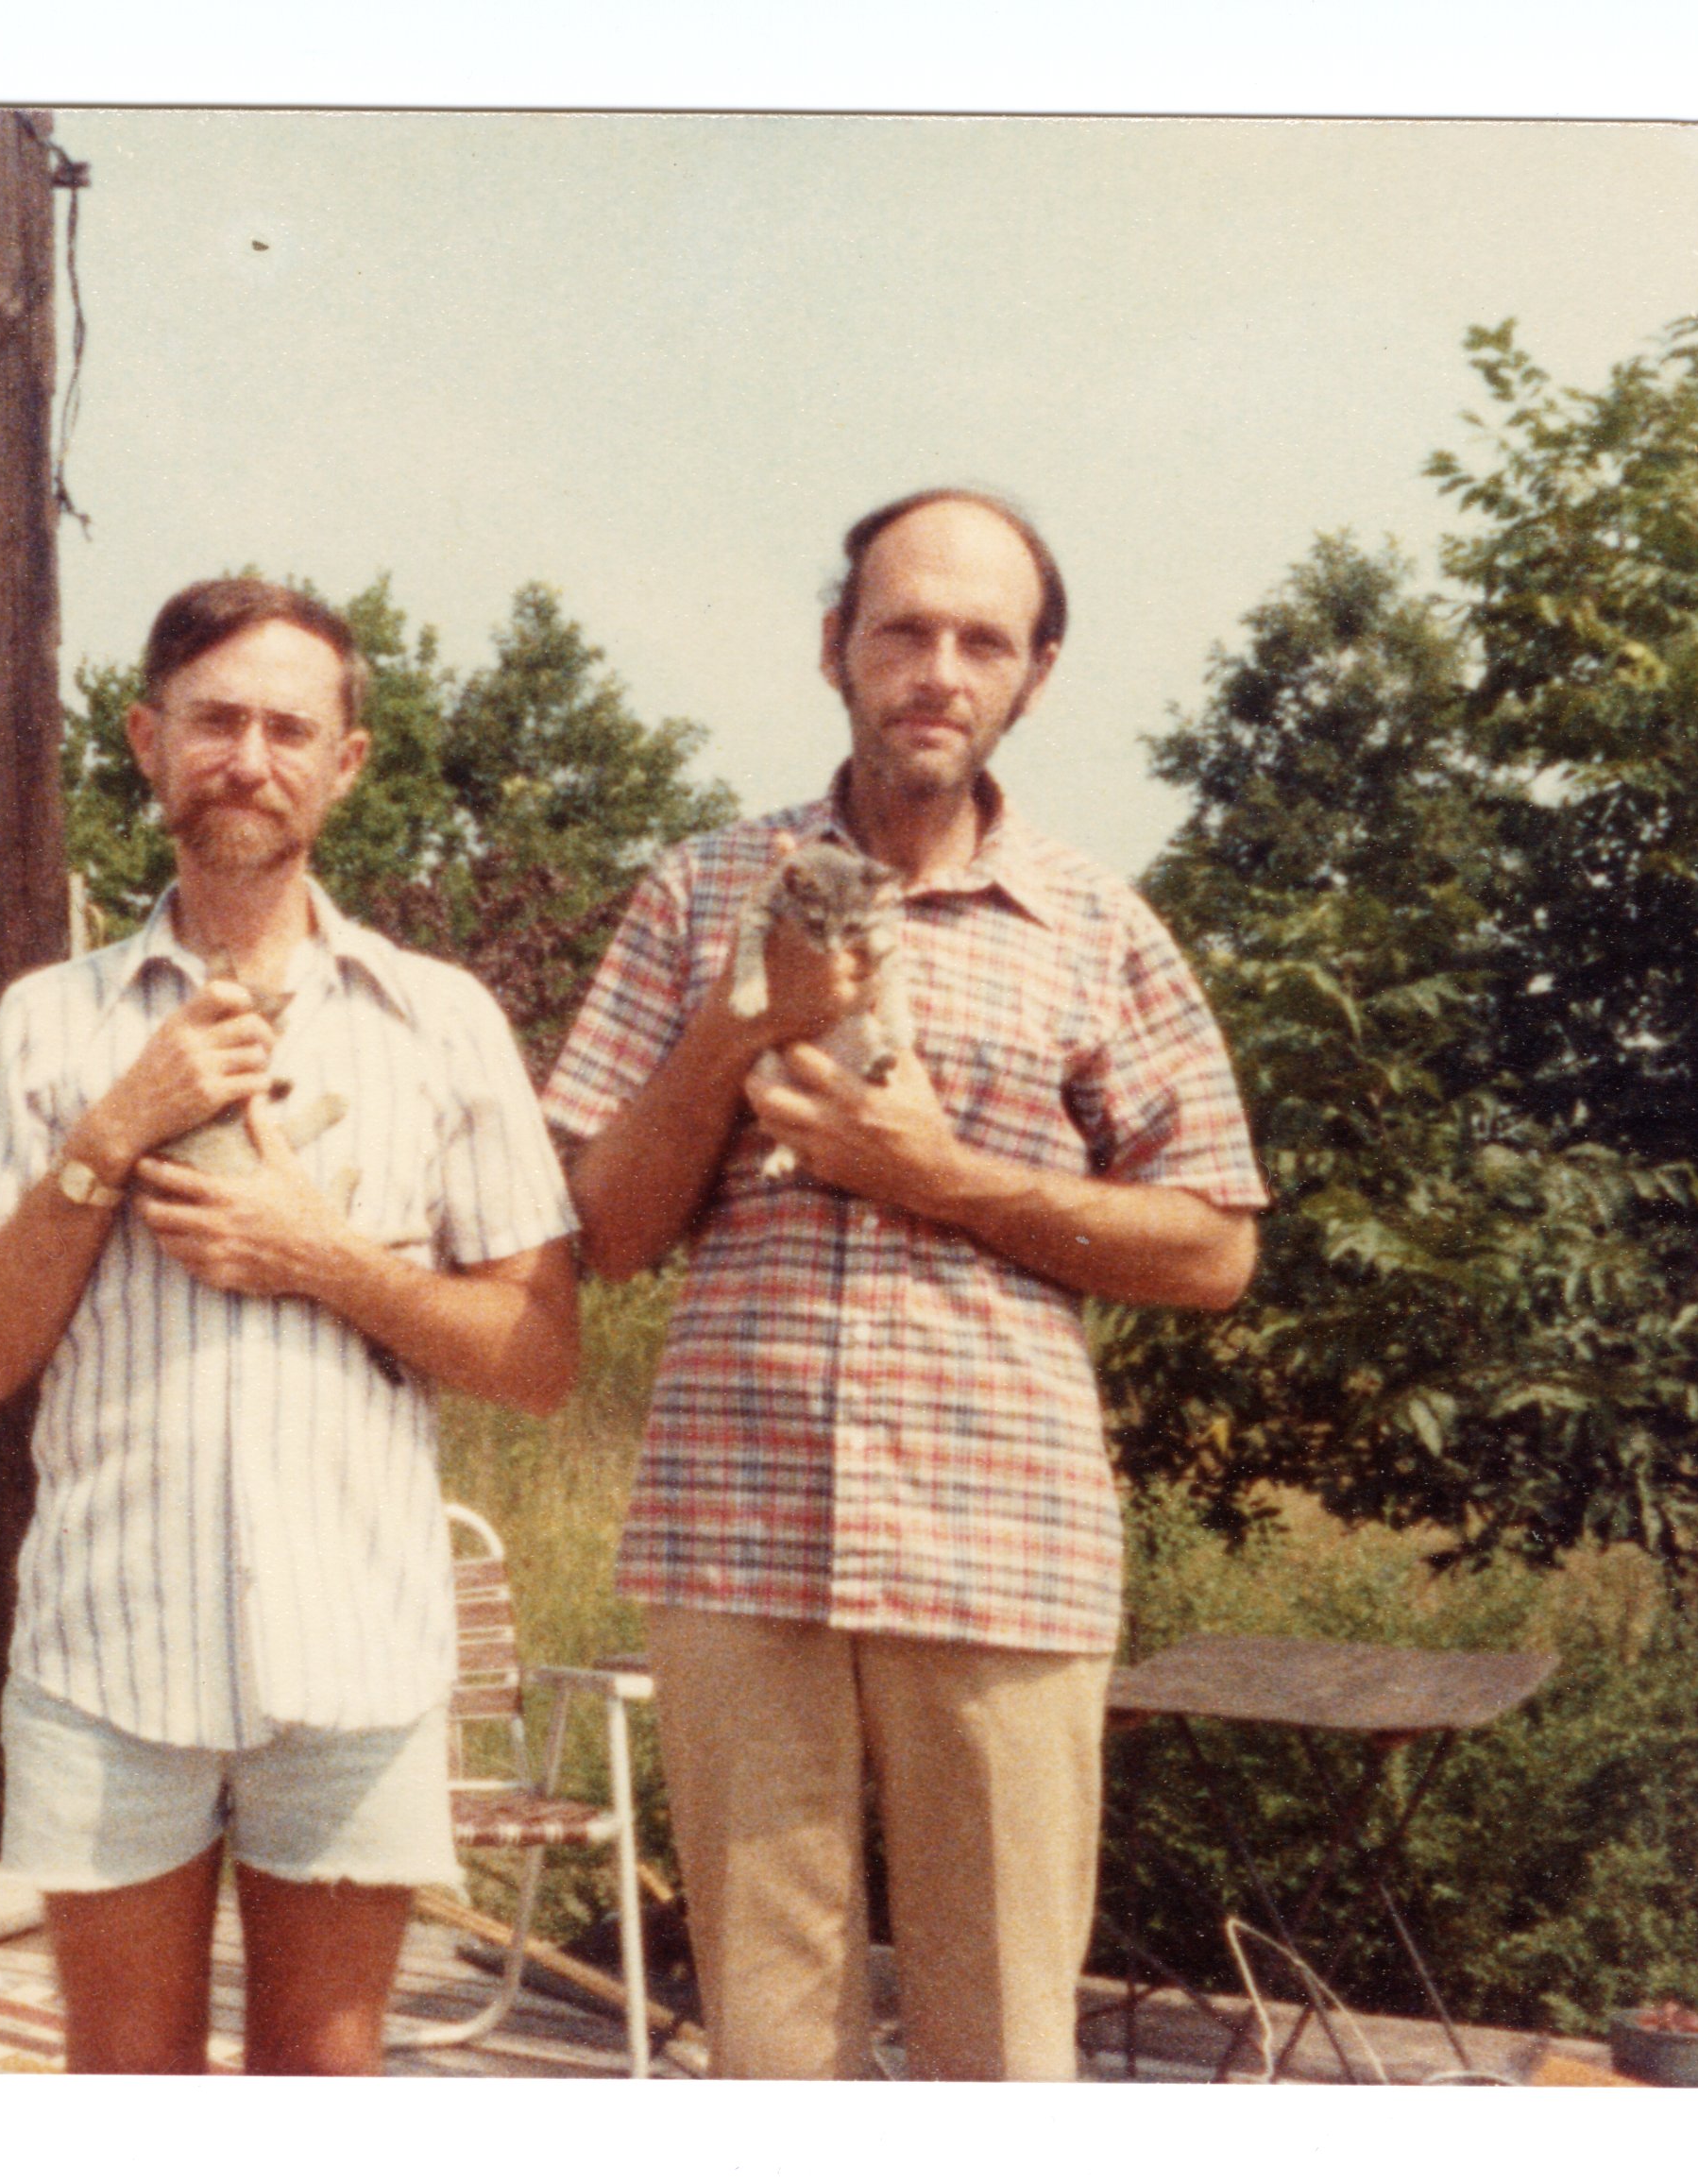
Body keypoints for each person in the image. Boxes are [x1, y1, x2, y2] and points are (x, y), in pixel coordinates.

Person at [543, 489, 1266, 2080]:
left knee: (1002, 2056)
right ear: (835, 649)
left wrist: (935, 1176)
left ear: (1035, 676)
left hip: (1003, 1543)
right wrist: (742, 1025)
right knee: (767, 2055)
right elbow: (602, 1228)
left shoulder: (1097, 925)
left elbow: (1216, 1246)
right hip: (737, 1542)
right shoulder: (695, 888)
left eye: (982, 640)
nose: (940, 667)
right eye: (905, 629)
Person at [0, 577, 580, 2074]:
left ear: (347, 763)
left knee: (318, 2093)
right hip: (110, 1657)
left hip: (359, 1653)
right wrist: (119, 1126)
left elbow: (540, 1360)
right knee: (130, 2091)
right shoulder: (52, 1021)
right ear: (148, 744)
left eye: (291, 727)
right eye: (214, 721)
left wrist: (324, 1258)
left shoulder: (440, 1019)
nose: (249, 757)